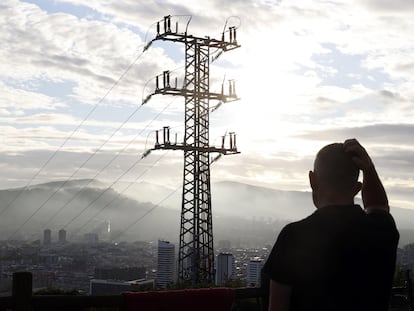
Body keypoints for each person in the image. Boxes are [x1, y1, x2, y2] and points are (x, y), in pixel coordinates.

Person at [262, 139, 399, 311]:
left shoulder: (294, 237)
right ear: (357, 188)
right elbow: (378, 206)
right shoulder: (382, 230)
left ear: (312, 180)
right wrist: (369, 169)